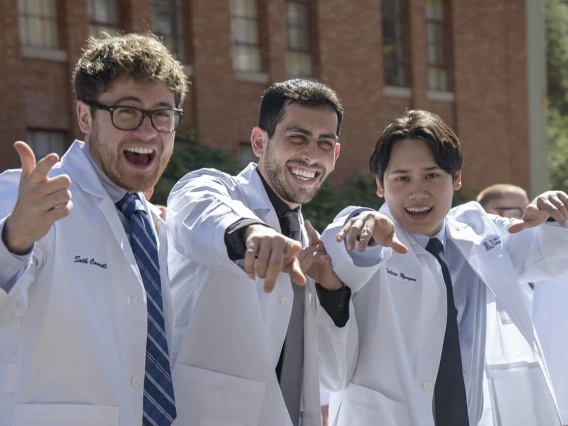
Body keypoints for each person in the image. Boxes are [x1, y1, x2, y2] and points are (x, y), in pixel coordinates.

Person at [316, 110, 568, 426]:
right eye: (402, 178)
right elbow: (343, 244)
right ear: (380, 185)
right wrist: (361, 231)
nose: (417, 192)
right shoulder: (365, 236)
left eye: (432, 175)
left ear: (457, 178)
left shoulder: (481, 234)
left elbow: (550, 254)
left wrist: (557, 216)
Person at [0, 33, 188, 426]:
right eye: (127, 112)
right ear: (85, 116)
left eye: (162, 115)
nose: (147, 131)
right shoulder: (27, 198)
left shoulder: (153, 225)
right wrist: (13, 241)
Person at [166, 79, 348, 426]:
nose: (311, 154)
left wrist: (331, 292)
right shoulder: (215, 191)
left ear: (335, 155)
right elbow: (200, 209)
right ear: (259, 141)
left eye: (325, 143)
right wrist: (251, 233)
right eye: (297, 137)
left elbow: (331, 376)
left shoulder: (310, 242)